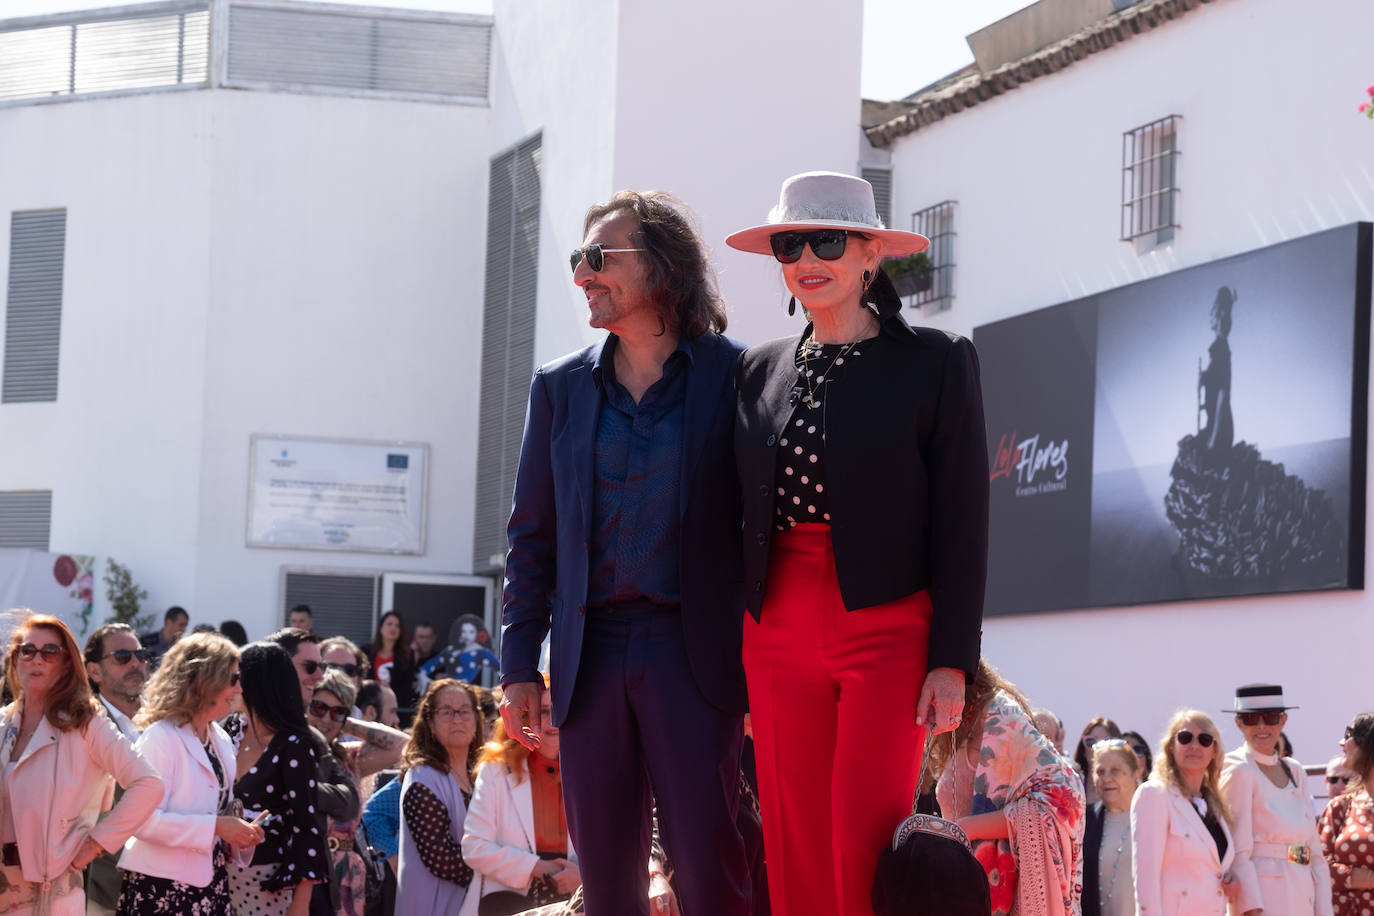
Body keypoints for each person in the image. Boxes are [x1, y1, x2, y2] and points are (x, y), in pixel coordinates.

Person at [725, 170, 988, 916]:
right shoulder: (757, 370)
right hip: (774, 624)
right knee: (793, 832)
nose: (807, 257)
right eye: (789, 244)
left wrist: (951, 660)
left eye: (828, 241)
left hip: (889, 623)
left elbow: (964, 520)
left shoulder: (936, 361)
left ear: (870, 253)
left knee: (863, 836)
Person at [500, 189, 751, 916]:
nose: (581, 273)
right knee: (607, 884)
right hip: (589, 655)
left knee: (708, 871)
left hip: (692, 653)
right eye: (579, 259)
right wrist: (520, 665)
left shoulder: (737, 377)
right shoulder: (560, 388)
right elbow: (531, 535)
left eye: (598, 257)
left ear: (663, 269)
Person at [0, 612, 162, 916]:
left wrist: (95, 844)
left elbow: (148, 784)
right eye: (27, 650)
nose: (37, 659)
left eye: (50, 652)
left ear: (66, 664)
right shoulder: (4, 723)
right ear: (14, 660)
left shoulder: (86, 723)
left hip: (52, 894)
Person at [117, 632, 263, 915]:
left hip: (208, 884)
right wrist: (218, 827)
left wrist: (238, 833)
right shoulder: (160, 737)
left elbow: (216, 812)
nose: (239, 689)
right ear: (204, 682)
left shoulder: (218, 737)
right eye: (232, 679)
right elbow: (140, 822)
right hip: (162, 889)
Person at [929, 660, 1083, 916]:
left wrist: (967, 828)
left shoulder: (1000, 714)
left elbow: (1064, 797)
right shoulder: (955, 727)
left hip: (1002, 896)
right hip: (963, 892)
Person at [229, 641, 326, 916]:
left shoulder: (294, 744)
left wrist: (301, 902)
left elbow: (306, 826)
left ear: (258, 684)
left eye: (236, 678)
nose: (230, 686)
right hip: (215, 880)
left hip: (268, 886)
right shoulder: (229, 730)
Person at [463, 686, 579, 914]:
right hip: (509, 904)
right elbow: (473, 847)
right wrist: (537, 867)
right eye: (542, 711)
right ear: (524, 717)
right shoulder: (495, 770)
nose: (551, 720)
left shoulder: (591, 771)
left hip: (576, 902)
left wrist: (582, 876)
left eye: (557, 710)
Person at [1220, 684, 1332, 916]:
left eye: (1270, 717)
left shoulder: (1295, 771)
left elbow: (1315, 853)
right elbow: (1238, 851)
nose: (1261, 727)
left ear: (1283, 721)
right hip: (1265, 899)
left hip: (1303, 892)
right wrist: (1251, 909)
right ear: (1238, 724)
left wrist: (1324, 911)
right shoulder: (1238, 769)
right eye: (1251, 719)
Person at [1131, 710, 1240, 915]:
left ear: (1214, 751)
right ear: (1172, 746)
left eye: (1205, 740)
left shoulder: (1215, 806)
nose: (1194, 746)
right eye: (1185, 737)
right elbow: (1145, 880)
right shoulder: (1154, 794)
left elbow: (1209, 869)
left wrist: (1231, 879)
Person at [81, 623, 152, 914]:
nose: (136, 663)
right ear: (94, 671)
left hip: (160, 885)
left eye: (141, 655)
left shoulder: (165, 720)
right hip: (104, 887)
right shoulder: (82, 724)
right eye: (123, 656)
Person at [397, 679, 484, 916]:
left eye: (465, 711)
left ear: (476, 721)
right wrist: (502, 870)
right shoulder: (422, 777)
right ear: (430, 724)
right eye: (446, 712)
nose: (457, 719)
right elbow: (441, 859)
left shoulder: (480, 774)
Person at [1318, 712, 1374, 916]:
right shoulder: (1340, 807)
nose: (1342, 743)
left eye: (1350, 735)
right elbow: (1313, 864)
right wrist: (1355, 877)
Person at [1082, 739, 1141, 916]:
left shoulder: (1153, 818)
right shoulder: (1084, 823)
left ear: (1135, 773)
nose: (1106, 778)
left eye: (1115, 770)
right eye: (1100, 772)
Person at [366, 612, 417, 715]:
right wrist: (377, 685)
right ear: (380, 628)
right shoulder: (367, 652)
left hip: (397, 710)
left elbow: (407, 687)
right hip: (370, 706)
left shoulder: (407, 655)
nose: (393, 628)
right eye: (389, 624)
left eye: (397, 625)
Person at [433, 616, 499, 686]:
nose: (467, 636)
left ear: (478, 633)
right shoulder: (451, 650)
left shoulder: (482, 652)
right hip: (449, 689)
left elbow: (502, 670)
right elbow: (432, 664)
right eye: (464, 631)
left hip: (469, 692)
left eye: (471, 632)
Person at [1074, 718, 1123, 806]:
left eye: (1106, 741)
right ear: (1083, 751)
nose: (1098, 747)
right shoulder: (1073, 785)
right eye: (1091, 741)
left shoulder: (1127, 786)